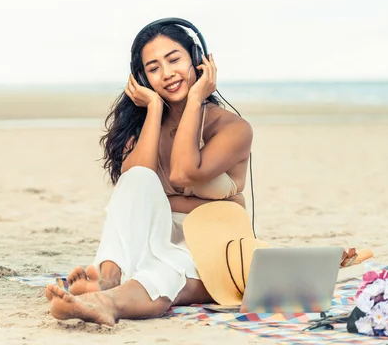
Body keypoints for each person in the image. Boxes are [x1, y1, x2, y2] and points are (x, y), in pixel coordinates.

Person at [45, 18, 255, 326]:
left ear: (198, 62)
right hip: (155, 230)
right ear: (143, 77)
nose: (167, 73)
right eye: (154, 68)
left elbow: (184, 174)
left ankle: (107, 300)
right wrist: (154, 109)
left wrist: (196, 98)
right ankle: (108, 278)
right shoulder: (144, 126)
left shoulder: (233, 128)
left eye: (174, 60)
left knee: (168, 270)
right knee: (140, 179)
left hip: (213, 238)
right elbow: (136, 182)